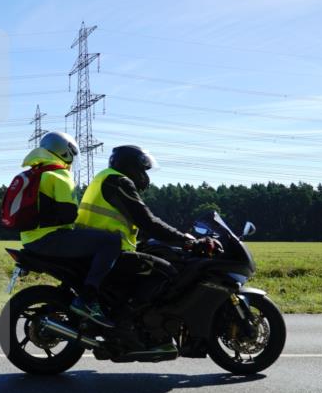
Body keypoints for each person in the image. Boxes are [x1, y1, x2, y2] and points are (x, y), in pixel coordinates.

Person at [76, 145, 219, 354]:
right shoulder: (119, 181)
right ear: (131, 166)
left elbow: (133, 222)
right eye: (142, 170)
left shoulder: (106, 178)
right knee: (166, 271)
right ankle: (125, 326)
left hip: (97, 248)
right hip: (107, 251)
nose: (144, 176)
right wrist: (186, 240)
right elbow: (147, 221)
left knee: (151, 263)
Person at [19, 132, 122, 328]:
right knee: (110, 241)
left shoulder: (36, 172)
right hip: (51, 238)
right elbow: (68, 215)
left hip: (31, 239)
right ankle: (88, 299)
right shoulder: (59, 175)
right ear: (65, 152)